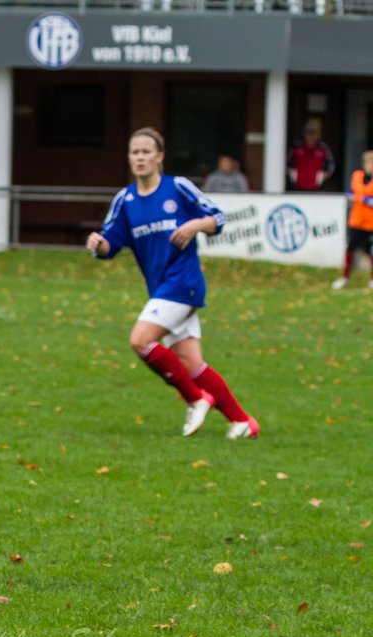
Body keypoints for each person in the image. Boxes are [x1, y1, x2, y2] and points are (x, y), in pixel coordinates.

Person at [86, 127, 259, 440]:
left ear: (160, 157)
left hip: (184, 283)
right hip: (161, 289)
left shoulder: (177, 188)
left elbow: (217, 218)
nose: (140, 157)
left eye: (146, 152)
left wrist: (194, 225)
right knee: (193, 364)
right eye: (134, 152)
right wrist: (98, 244)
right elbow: (111, 243)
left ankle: (195, 399)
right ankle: (242, 421)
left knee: (140, 340)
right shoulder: (125, 200)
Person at [332, 150, 373, 290]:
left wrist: (365, 200)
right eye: (368, 163)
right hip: (356, 220)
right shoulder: (357, 176)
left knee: (370, 251)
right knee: (350, 248)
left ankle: (372, 279)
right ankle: (345, 277)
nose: (370, 166)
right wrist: (351, 196)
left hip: (370, 222)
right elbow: (350, 191)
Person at [288, 119, 335, 192]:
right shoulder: (296, 146)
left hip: (317, 187)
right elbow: (286, 162)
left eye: (313, 133)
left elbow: (331, 164)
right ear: (304, 133)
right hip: (297, 187)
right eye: (308, 133)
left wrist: (324, 176)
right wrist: (292, 174)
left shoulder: (323, 148)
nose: (310, 136)